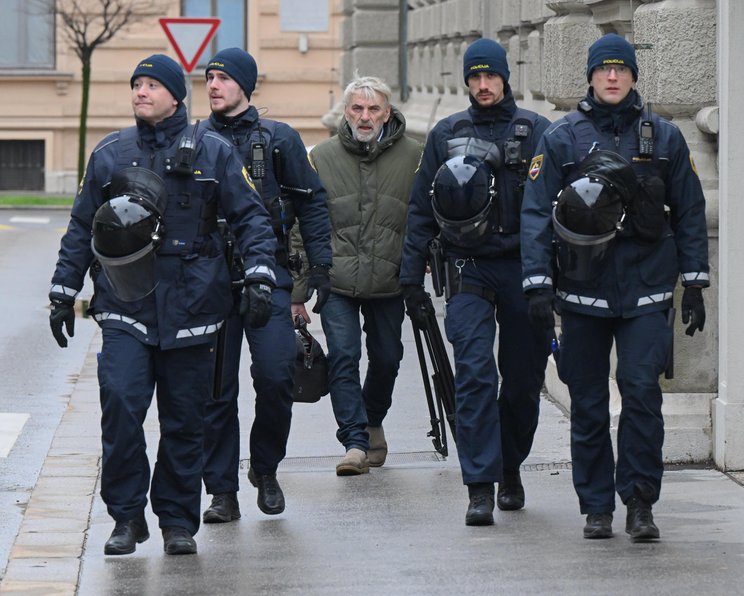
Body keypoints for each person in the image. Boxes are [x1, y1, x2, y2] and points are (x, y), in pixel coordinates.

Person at [48, 54, 277, 556]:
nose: (141, 92)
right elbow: (82, 227)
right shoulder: (110, 154)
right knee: (122, 408)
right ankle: (127, 518)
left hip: (194, 306)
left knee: (184, 420)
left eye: (152, 84)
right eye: (137, 84)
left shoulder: (214, 152)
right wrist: (63, 291)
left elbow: (252, 220)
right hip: (125, 303)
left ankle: (176, 519)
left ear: (177, 94)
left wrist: (260, 275)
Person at [520, 33, 709, 541]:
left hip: (647, 289)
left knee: (642, 393)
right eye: (603, 69)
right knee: (587, 401)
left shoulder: (665, 137)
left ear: (632, 76)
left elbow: (690, 211)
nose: (612, 77)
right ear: (589, 76)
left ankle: (640, 502)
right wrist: (537, 285)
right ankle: (597, 505)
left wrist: (694, 282)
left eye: (621, 69)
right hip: (582, 292)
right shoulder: (562, 138)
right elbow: (536, 212)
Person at [400, 38, 551, 526]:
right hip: (468, 268)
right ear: (466, 81)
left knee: (524, 382)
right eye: (474, 77)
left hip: (525, 270)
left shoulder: (537, 132)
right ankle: (480, 485)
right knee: (474, 374)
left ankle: (510, 467)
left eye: (491, 76)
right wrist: (410, 281)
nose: (483, 85)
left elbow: (556, 205)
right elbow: (421, 209)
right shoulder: (446, 134)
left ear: (506, 77)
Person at [200, 48, 332, 522]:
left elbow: (312, 204)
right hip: (209, 280)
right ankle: (222, 491)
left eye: (222, 78)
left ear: (245, 86)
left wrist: (321, 267)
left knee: (277, 376)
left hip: (269, 273)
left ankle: (266, 467)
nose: (213, 85)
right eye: (209, 77)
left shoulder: (278, 140)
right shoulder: (193, 140)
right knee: (216, 390)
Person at [291, 75, 422, 476]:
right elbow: (302, 226)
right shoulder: (321, 157)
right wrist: (297, 293)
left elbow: (426, 219)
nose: (365, 117)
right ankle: (354, 442)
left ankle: (372, 419)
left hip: (389, 279)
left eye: (373, 109)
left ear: (387, 112)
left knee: (387, 357)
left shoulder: (415, 156)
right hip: (336, 280)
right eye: (357, 109)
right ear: (346, 112)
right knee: (344, 356)